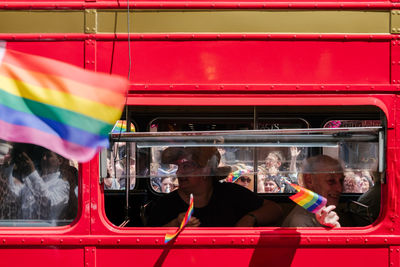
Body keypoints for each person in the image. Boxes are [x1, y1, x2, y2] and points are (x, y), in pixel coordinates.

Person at [147, 147, 282, 227]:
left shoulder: (230, 193)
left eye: (186, 166)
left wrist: (250, 218)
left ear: (206, 171)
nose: (178, 172)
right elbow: (148, 240)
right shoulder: (165, 204)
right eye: (178, 167)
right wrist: (176, 224)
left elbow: (275, 210)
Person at [3, 147, 70, 222]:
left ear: (60, 161)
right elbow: (13, 195)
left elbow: (48, 203)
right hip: (24, 230)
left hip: (45, 232)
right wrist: (9, 167)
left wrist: (32, 172)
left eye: (48, 156)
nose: (44, 158)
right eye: (43, 155)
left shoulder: (62, 185)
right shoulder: (33, 180)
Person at [282, 155, 344, 228]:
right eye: (331, 181)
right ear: (309, 181)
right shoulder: (301, 221)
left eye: (341, 181)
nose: (339, 189)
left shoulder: (321, 211)